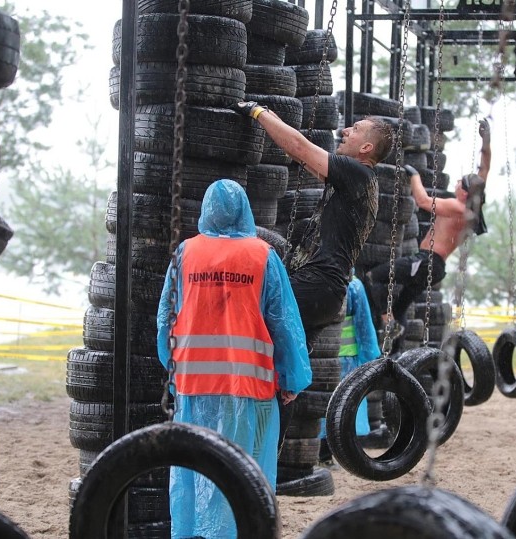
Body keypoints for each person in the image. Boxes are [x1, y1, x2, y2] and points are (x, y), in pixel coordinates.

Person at [156, 179, 311, 538]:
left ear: (205, 209)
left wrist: (172, 364)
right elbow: (283, 321)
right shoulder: (262, 255)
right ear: (245, 210)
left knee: (194, 470)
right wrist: (291, 379)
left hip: (194, 386)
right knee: (247, 470)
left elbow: (166, 316)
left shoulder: (184, 254)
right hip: (249, 387)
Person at [230, 100, 394, 347]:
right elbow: (296, 151)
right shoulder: (358, 181)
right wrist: (268, 115)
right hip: (327, 293)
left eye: (356, 129)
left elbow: (299, 146)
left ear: (366, 147)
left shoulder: (356, 172)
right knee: (287, 371)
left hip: (316, 284)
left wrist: (257, 111)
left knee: (246, 332)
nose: (345, 131)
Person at [363, 118, 491, 334]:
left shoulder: (457, 207)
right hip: (435, 266)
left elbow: (422, 201)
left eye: (460, 182)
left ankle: (387, 322)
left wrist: (413, 175)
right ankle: (396, 345)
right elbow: (485, 169)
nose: (456, 183)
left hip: (426, 261)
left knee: (373, 277)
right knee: (401, 308)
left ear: (465, 192)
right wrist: (486, 141)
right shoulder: (470, 212)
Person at [319, 270, 381, 464]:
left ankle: (320, 454)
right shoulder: (353, 286)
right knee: (344, 407)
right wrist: (370, 358)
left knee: (319, 405)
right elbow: (364, 325)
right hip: (347, 359)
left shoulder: (314, 279)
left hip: (318, 359)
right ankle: (329, 454)